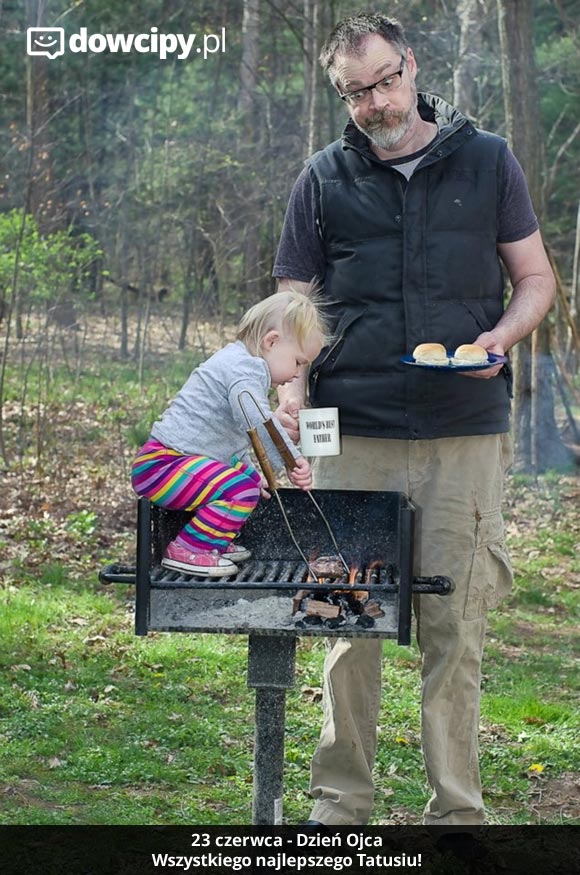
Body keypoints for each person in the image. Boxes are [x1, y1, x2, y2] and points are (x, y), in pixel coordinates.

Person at [273, 12, 556, 825]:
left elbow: (534, 275)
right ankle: (340, 801)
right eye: (356, 92)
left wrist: (503, 334)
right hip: (350, 430)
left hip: (463, 427)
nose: (376, 102)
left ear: (411, 66)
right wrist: (290, 386)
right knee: (345, 621)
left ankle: (457, 812)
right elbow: (293, 298)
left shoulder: (487, 159)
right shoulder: (322, 178)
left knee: (454, 625)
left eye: (386, 81)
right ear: (342, 94)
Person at [131, 290, 328, 577]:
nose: (298, 374)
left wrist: (253, 469)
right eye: (298, 362)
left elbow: (233, 439)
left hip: (176, 463)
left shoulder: (240, 363)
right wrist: (294, 460)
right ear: (271, 341)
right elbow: (260, 423)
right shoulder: (244, 371)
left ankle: (215, 539)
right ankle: (189, 549)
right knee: (242, 490)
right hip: (161, 466)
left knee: (249, 479)